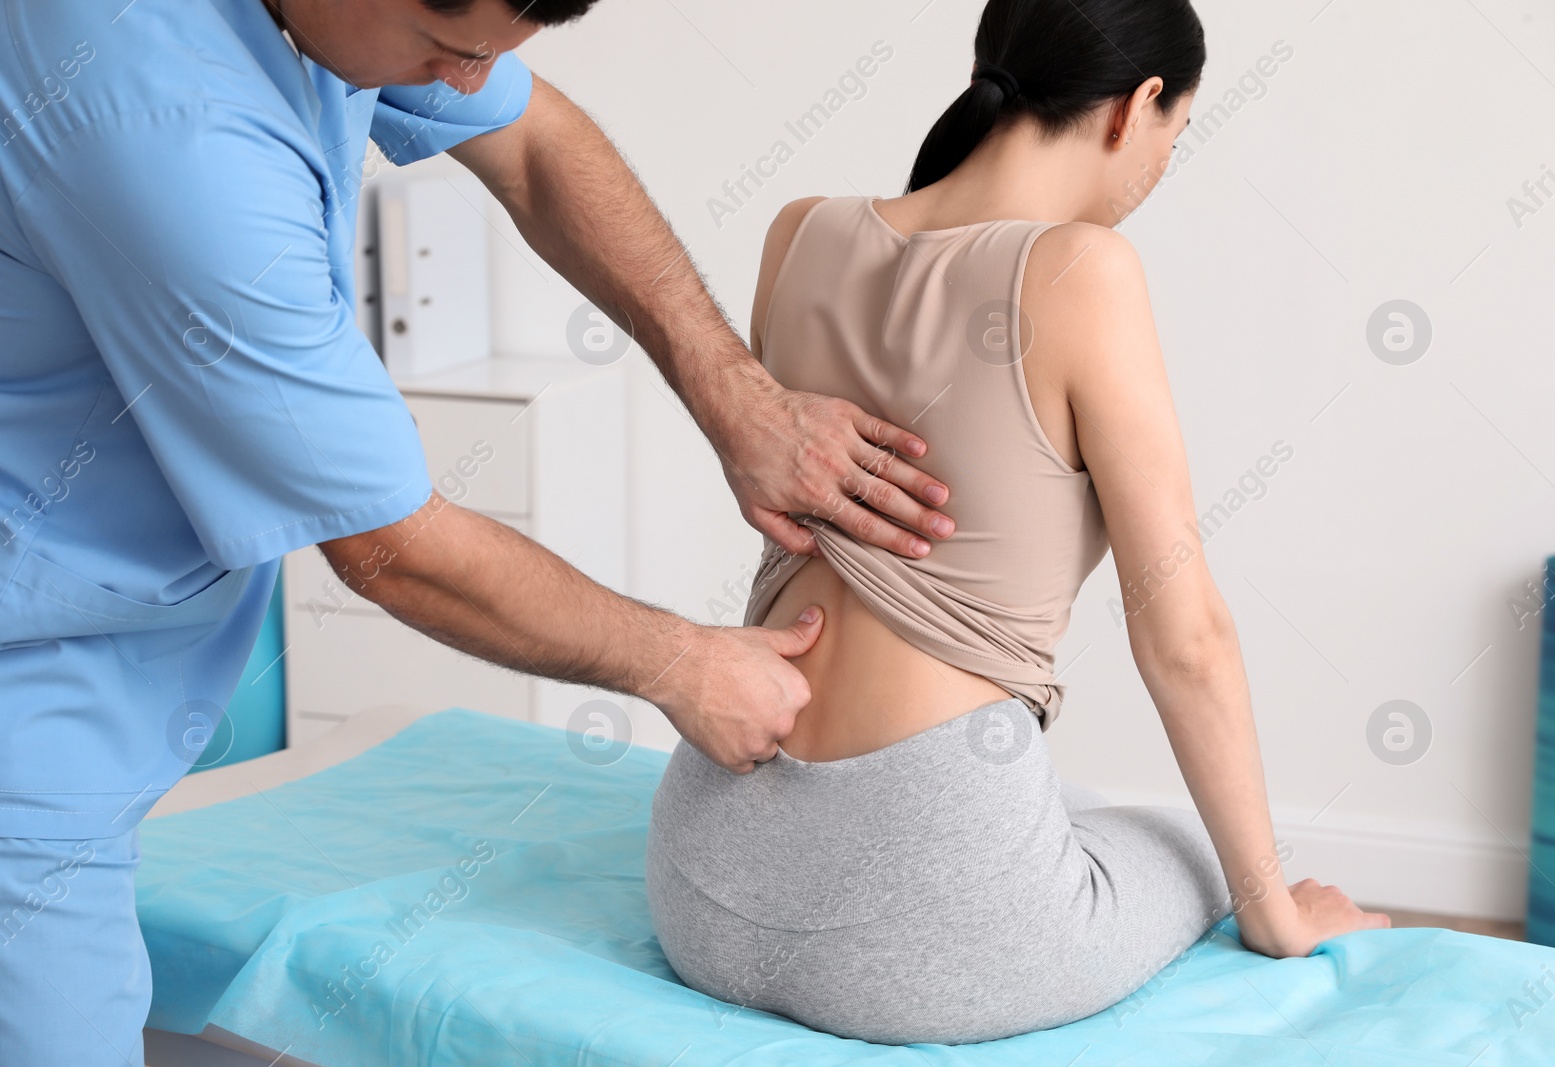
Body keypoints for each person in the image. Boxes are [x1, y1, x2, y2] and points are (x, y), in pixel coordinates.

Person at [0, 0, 960, 1062]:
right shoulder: (167, 133)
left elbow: (538, 145)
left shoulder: (340, 24)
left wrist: (732, 390)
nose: (464, 86)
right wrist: (682, 663)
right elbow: (390, 545)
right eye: (453, 53)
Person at [646, 0, 1392, 1045]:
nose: (1161, 162)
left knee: (1059, 800)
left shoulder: (799, 230)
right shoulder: (1085, 271)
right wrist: (1268, 908)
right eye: (1177, 132)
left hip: (703, 882)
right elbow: (1185, 638)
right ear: (1136, 108)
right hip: (924, 943)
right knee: (1186, 843)